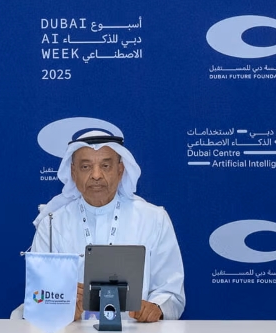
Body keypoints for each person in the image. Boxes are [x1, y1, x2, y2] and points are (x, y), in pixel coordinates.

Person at [18, 127, 184, 322]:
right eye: (85, 167)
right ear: (73, 172)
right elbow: (38, 296)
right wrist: (61, 308)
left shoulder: (153, 219)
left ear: (120, 170)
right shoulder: (52, 224)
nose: (96, 175)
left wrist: (156, 307)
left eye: (105, 166)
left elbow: (170, 292)